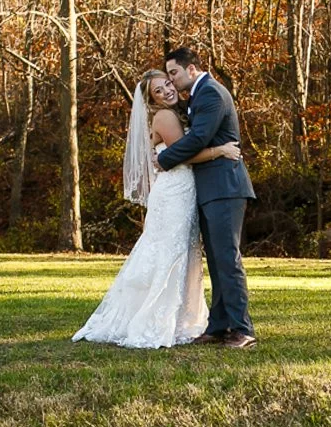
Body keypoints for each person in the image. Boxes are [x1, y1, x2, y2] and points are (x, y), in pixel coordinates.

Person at [72, 70, 241, 348]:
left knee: (180, 252)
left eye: (167, 84)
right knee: (170, 253)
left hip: (184, 190)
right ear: (151, 100)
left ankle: (180, 318)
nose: (166, 92)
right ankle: (156, 320)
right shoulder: (165, 116)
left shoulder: (180, 111)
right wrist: (219, 151)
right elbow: (182, 155)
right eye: (158, 92)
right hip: (175, 191)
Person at [156, 47, 258, 349]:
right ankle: (220, 325)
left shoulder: (211, 93)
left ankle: (243, 329)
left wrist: (163, 159)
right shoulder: (199, 96)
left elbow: (199, 137)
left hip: (225, 187)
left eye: (174, 73)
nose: (172, 81)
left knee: (227, 258)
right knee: (215, 260)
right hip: (211, 189)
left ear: (192, 69)